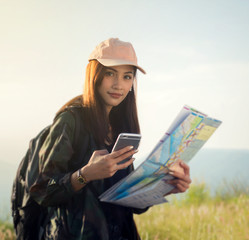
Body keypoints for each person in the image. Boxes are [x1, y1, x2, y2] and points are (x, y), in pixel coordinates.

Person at [29, 38, 192, 240]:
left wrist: (165, 186)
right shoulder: (69, 121)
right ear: (94, 75)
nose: (118, 84)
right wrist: (84, 174)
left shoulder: (122, 127)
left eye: (127, 76)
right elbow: (42, 190)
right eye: (110, 73)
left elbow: (127, 202)